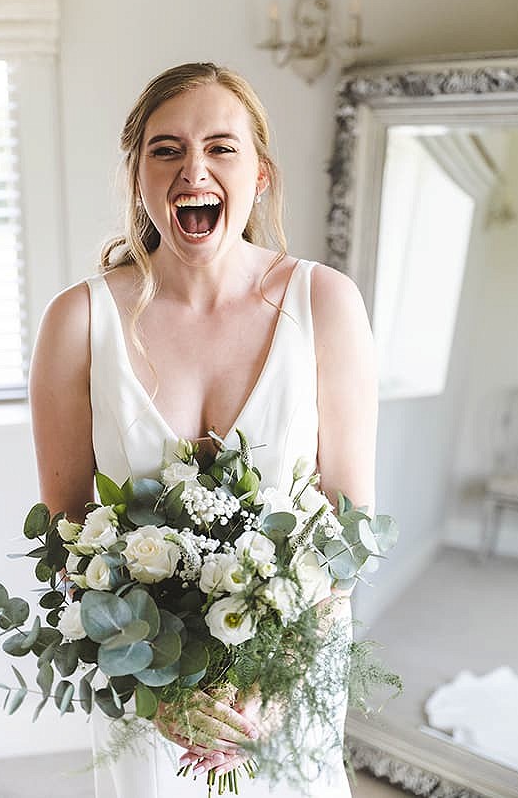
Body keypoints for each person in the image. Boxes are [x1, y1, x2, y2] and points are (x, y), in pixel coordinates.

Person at [28, 62, 378, 797]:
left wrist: (280, 686)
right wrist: (157, 690)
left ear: (260, 176)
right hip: (151, 711)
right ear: (137, 176)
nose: (195, 169)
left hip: (293, 683)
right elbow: (65, 534)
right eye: (167, 149)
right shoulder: (76, 322)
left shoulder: (327, 304)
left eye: (222, 147)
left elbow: (350, 524)